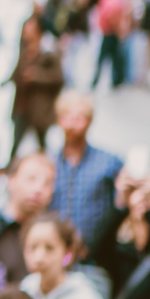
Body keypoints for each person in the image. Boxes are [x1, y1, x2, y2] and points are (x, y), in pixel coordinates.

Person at [0, 153, 57, 286]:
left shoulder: (55, 234)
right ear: (11, 181)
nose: (38, 189)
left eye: (47, 183)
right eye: (31, 179)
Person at [49, 92, 123, 245]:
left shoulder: (109, 162)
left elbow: (121, 203)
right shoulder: (49, 162)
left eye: (78, 118)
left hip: (98, 247)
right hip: (56, 247)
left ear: (89, 121)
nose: (71, 124)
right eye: (66, 116)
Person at [8, 21, 66, 160]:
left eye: (30, 30)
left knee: (42, 143)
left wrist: (36, 76)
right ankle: (9, 171)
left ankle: (45, 170)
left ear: (38, 32)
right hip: (21, 107)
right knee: (15, 143)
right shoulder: (24, 52)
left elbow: (58, 79)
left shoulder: (48, 54)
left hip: (39, 110)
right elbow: (17, 72)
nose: (26, 33)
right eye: (25, 30)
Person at [90, 0, 131, 89]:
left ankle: (101, 81)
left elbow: (110, 15)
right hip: (111, 33)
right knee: (114, 58)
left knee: (104, 59)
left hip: (109, 34)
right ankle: (116, 81)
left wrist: (117, 30)